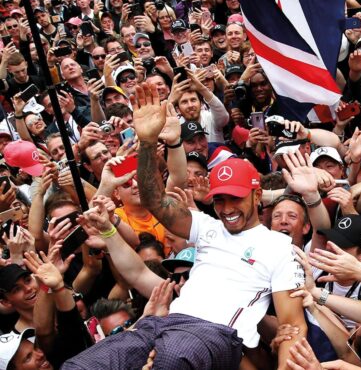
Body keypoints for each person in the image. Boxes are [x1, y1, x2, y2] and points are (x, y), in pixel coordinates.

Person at [63, 83, 306, 369]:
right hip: (164, 324)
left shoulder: (280, 248)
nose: (226, 209)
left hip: (213, 334)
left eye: (235, 199)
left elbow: (292, 326)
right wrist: (147, 142)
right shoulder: (206, 226)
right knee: (80, 366)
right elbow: (155, 201)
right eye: (220, 199)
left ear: (256, 195)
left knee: (171, 360)